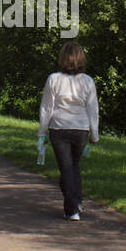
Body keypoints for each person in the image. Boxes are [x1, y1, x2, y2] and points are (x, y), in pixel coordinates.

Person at [38, 41, 99, 221]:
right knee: (73, 167)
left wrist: (42, 132)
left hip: (59, 129)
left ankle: (71, 208)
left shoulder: (54, 79)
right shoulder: (88, 81)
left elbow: (46, 108)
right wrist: (94, 134)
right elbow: (93, 110)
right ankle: (76, 202)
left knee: (66, 169)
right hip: (80, 130)